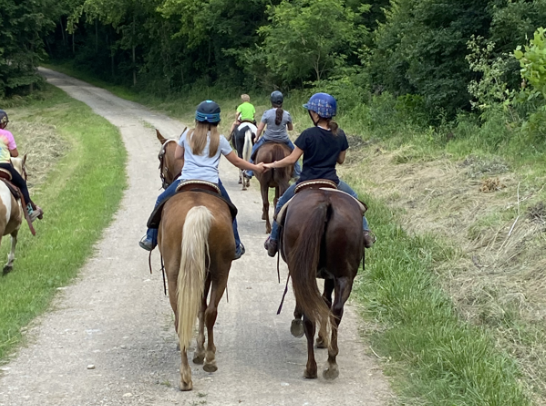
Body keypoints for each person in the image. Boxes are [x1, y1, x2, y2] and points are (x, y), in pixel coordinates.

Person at [139, 100, 265, 260]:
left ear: (196, 119)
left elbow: (178, 156)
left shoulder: (187, 135)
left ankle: (150, 238)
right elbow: (237, 161)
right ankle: (236, 245)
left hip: (185, 180)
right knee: (231, 210)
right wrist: (256, 168)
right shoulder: (220, 140)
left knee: (160, 201)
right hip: (211, 182)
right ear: (217, 120)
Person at [262, 93, 375, 257]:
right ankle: (365, 233)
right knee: (354, 199)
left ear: (315, 114)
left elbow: (292, 159)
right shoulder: (340, 135)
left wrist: (270, 164)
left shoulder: (308, 134)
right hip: (331, 181)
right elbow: (341, 160)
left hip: (307, 181)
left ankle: (273, 241)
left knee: (281, 203)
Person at [244, 91, 301, 179]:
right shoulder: (287, 114)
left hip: (268, 138)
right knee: (294, 154)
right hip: (283, 139)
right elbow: (290, 128)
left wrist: (256, 138)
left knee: (254, 151)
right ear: (282, 102)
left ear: (271, 101)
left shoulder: (267, 113)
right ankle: (297, 173)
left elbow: (260, 128)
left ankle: (249, 171)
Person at [0, 109, 43, 222]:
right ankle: (30, 212)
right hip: (4, 168)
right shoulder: (7, 134)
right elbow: (15, 154)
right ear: (3, 123)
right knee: (22, 185)